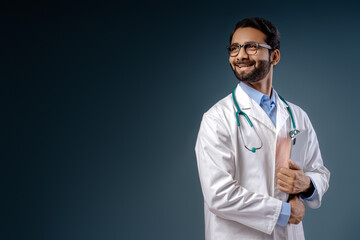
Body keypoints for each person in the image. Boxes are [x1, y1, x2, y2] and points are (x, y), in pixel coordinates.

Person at [195, 17, 330, 240]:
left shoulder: (297, 116)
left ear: (274, 56)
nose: (240, 55)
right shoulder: (217, 118)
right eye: (235, 48)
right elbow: (219, 194)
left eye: (251, 47)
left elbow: (319, 171)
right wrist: (284, 212)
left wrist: (307, 184)